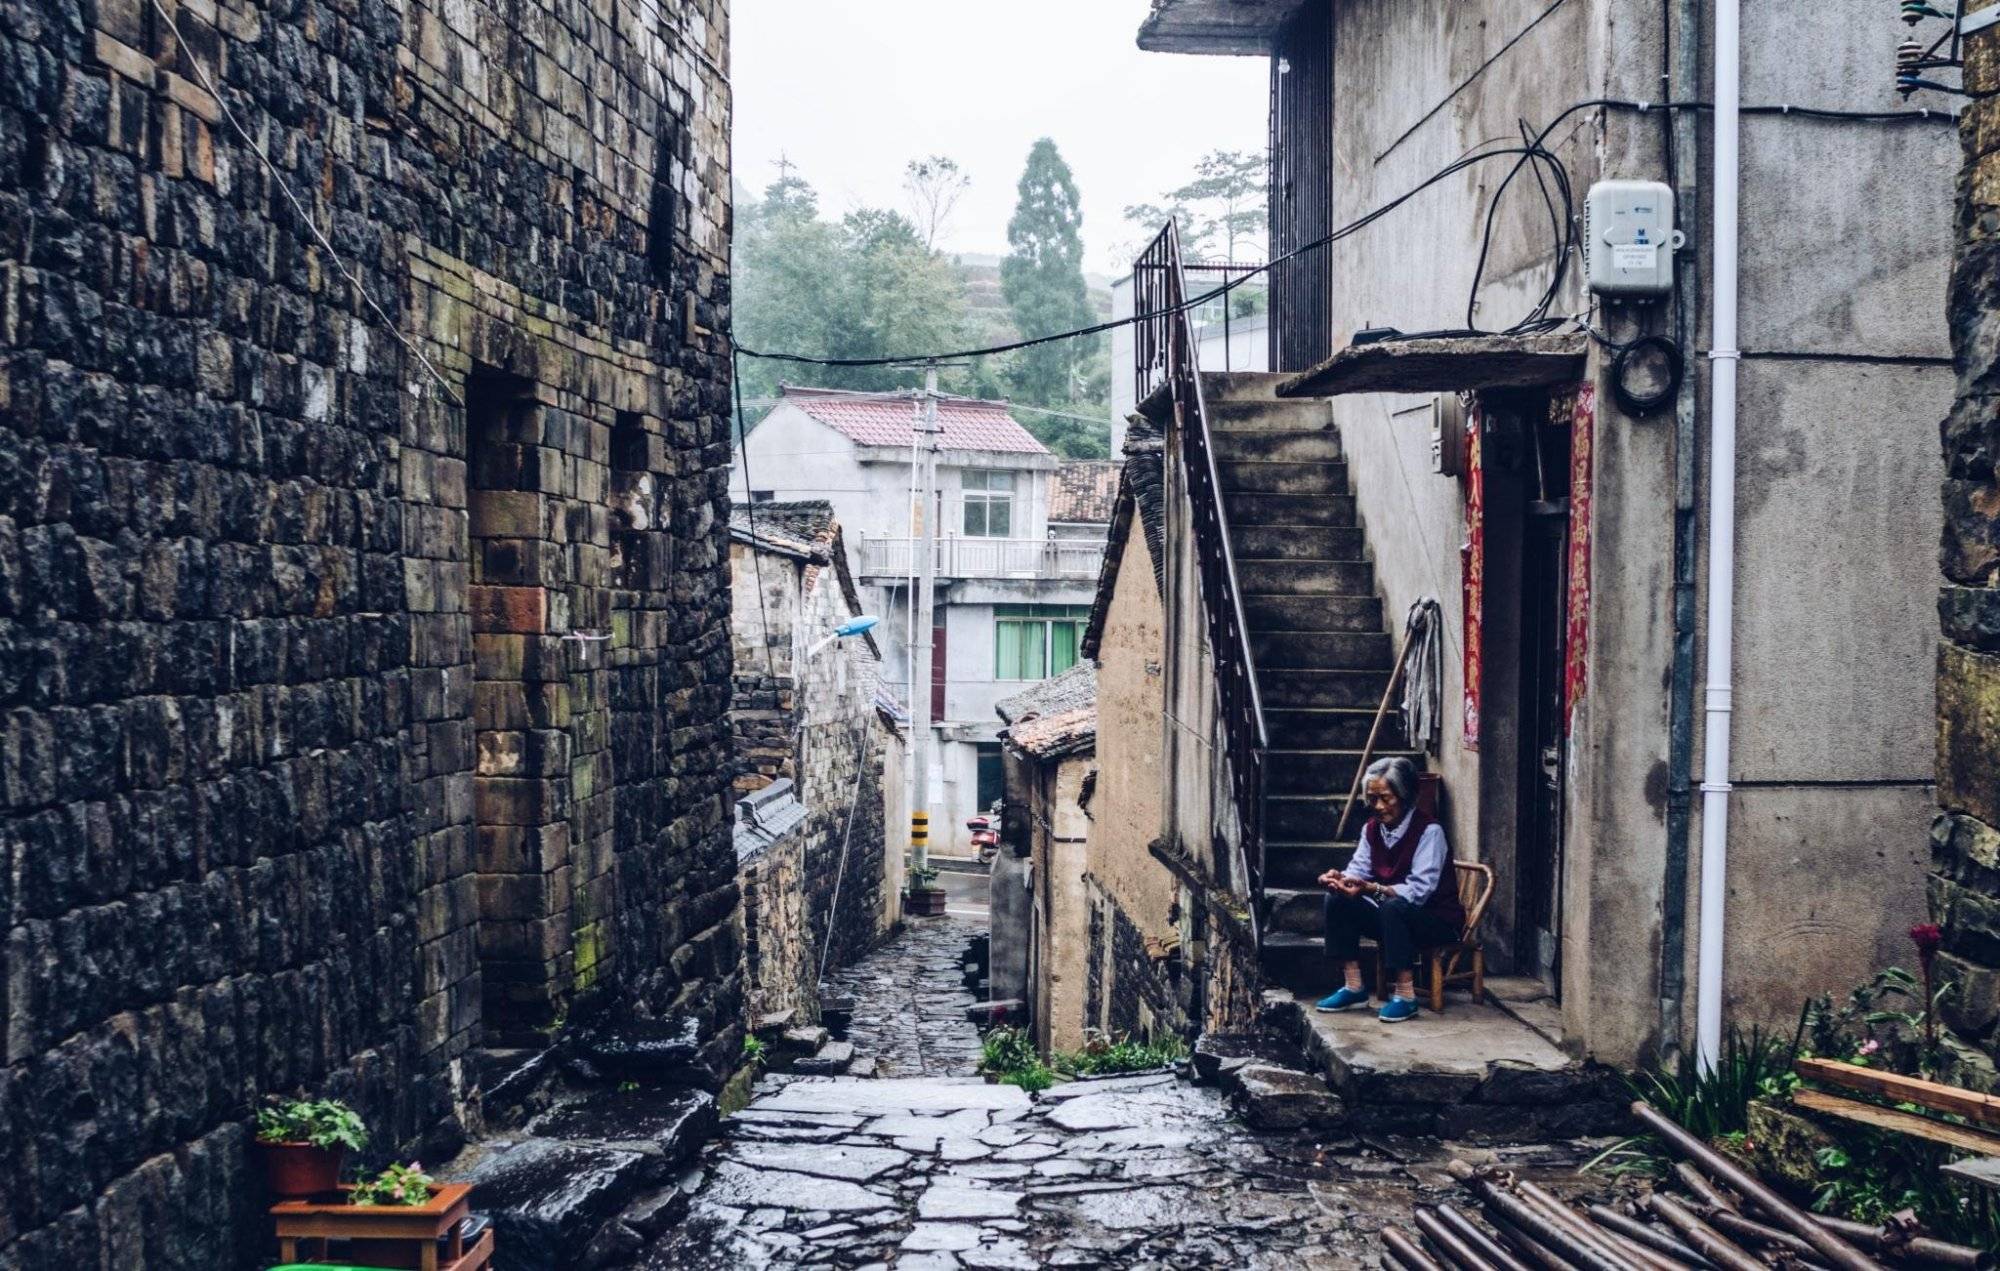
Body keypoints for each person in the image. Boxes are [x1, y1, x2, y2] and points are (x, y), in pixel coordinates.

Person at [1314, 756, 1464, 1023]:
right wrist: (1340, 879)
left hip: (1434, 920)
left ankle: (1406, 996)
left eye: (1386, 798)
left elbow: (1419, 892)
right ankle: (1354, 987)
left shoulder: (1430, 832)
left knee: (1393, 906)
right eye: (1372, 799)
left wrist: (1372, 888)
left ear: (1405, 796)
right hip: (1392, 913)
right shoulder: (1372, 830)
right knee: (1336, 900)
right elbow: (1358, 869)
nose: (1379, 806)